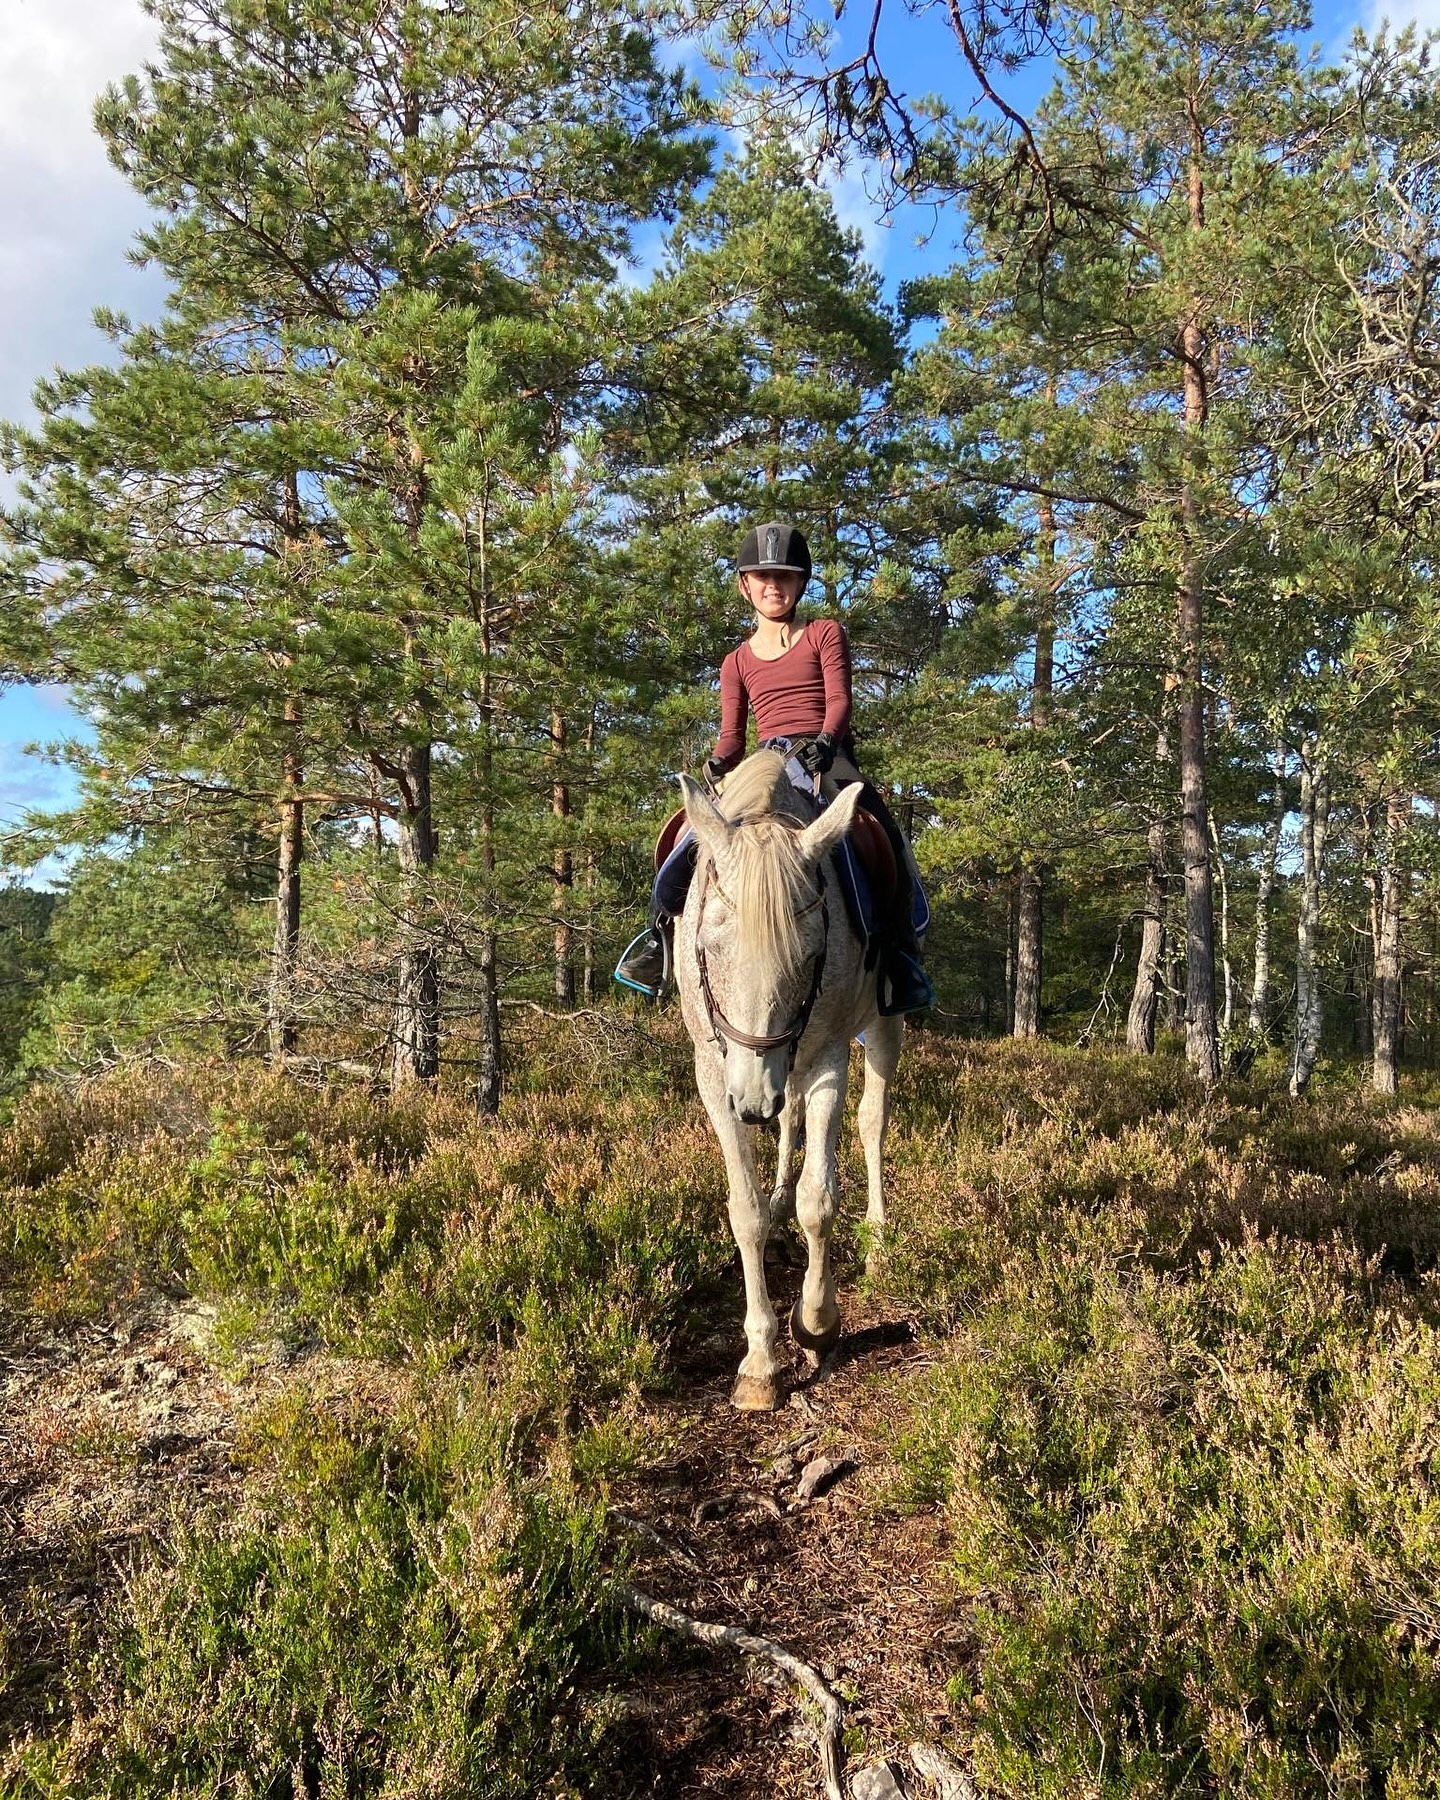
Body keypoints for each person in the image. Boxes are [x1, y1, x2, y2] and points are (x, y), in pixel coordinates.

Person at [614, 521, 933, 1015]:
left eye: (784, 577)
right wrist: (720, 760)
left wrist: (827, 742)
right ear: (745, 585)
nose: (773, 586)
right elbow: (732, 735)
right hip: (766, 763)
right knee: (685, 833)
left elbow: (840, 699)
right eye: (762, 577)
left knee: (878, 831)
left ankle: (897, 954)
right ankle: (658, 938)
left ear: (800, 582)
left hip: (825, 756)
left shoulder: (824, 633)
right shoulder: (736, 661)